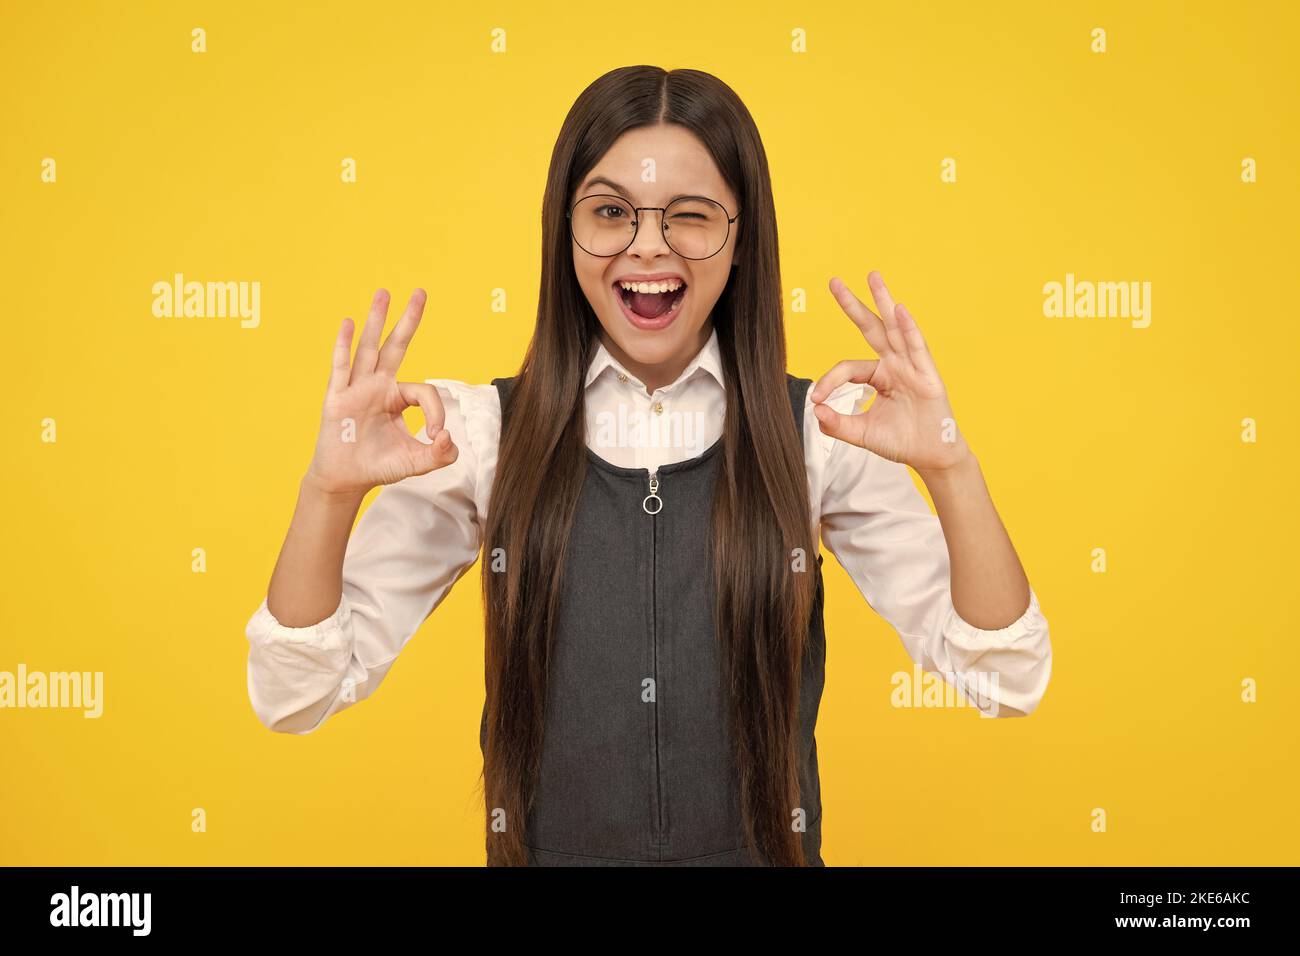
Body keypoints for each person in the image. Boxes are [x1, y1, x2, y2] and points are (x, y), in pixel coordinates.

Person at [244, 65, 1052, 867]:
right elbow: (295, 696)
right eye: (609, 212)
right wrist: (329, 493)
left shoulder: (817, 434)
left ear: (742, 242)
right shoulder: (481, 436)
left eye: (691, 217)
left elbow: (1005, 680)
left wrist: (951, 467)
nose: (648, 246)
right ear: (565, 234)